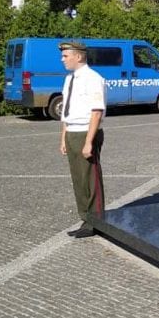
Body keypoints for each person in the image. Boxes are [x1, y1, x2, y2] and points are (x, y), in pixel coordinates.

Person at [58, 41, 106, 239]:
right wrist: (63, 138)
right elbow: (66, 112)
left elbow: (96, 111)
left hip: (87, 132)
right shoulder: (70, 79)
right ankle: (85, 218)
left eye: (65, 56)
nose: (62, 60)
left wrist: (88, 141)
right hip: (72, 132)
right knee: (78, 178)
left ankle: (96, 220)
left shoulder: (93, 79)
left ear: (78, 56)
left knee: (90, 178)